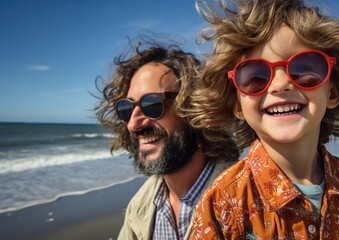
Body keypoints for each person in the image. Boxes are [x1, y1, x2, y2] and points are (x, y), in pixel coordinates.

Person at [182, 0, 339, 239]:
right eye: (255, 76)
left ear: (332, 92)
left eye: (304, 69)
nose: (280, 84)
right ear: (237, 104)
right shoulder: (221, 202)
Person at [94, 42, 239, 240]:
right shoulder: (141, 206)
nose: (133, 124)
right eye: (126, 109)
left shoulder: (246, 202)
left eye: (151, 104)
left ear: (195, 108)